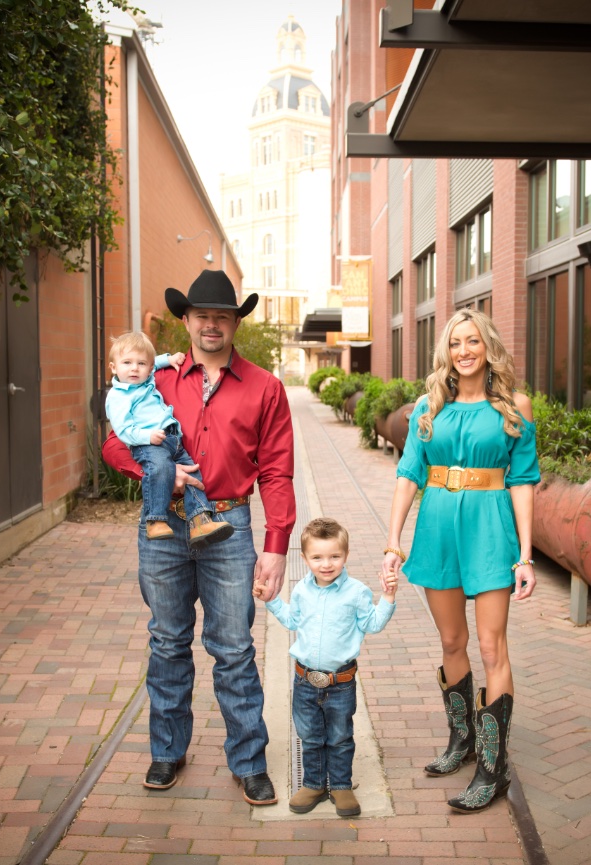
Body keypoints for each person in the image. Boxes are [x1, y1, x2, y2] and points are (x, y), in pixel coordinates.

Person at [102, 269, 294, 806]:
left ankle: (249, 762)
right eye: (202, 315)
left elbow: (277, 471)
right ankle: (167, 752)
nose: (212, 324)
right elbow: (115, 445)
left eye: (222, 316)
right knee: (167, 642)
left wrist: (276, 546)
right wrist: (158, 475)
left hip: (229, 528)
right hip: (164, 529)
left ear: (235, 323)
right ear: (186, 321)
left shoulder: (265, 387)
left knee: (233, 648)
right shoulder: (155, 379)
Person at [381, 308, 540, 813]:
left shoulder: (514, 406)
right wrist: (393, 542)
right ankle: (462, 740)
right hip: (438, 529)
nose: (464, 351)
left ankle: (493, 769)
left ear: (488, 347)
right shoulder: (429, 406)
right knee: (452, 640)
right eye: (455, 343)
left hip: (490, 529)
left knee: (492, 646)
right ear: (445, 352)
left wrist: (526, 555)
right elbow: (409, 474)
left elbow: (523, 481)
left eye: (473, 341)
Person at [255, 517, 397, 818]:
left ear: (346, 555)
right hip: (305, 681)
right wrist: (272, 600)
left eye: (334, 556)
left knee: (340, 737)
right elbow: (292, 620)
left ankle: (341, 786)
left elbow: (372, 624)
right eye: (317, 557)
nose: (326, 564)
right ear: (305, 558)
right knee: (309, 736)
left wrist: (387, 596)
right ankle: (314, 784)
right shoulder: (301, 591)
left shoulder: (356, 592)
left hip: (340, 683)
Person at [103, 331, 233, 549]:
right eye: (127, 363)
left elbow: (153, 364)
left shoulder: (146, 380)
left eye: (140, 364)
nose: (134, 368)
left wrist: (169, 359)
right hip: (148, 444)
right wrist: (147, 437)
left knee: (193, 472)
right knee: (161, 469)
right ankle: (155, 520)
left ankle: (200, 520)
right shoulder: (119, 397)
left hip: (173, 439)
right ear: (113, 367)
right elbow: (123, 429)